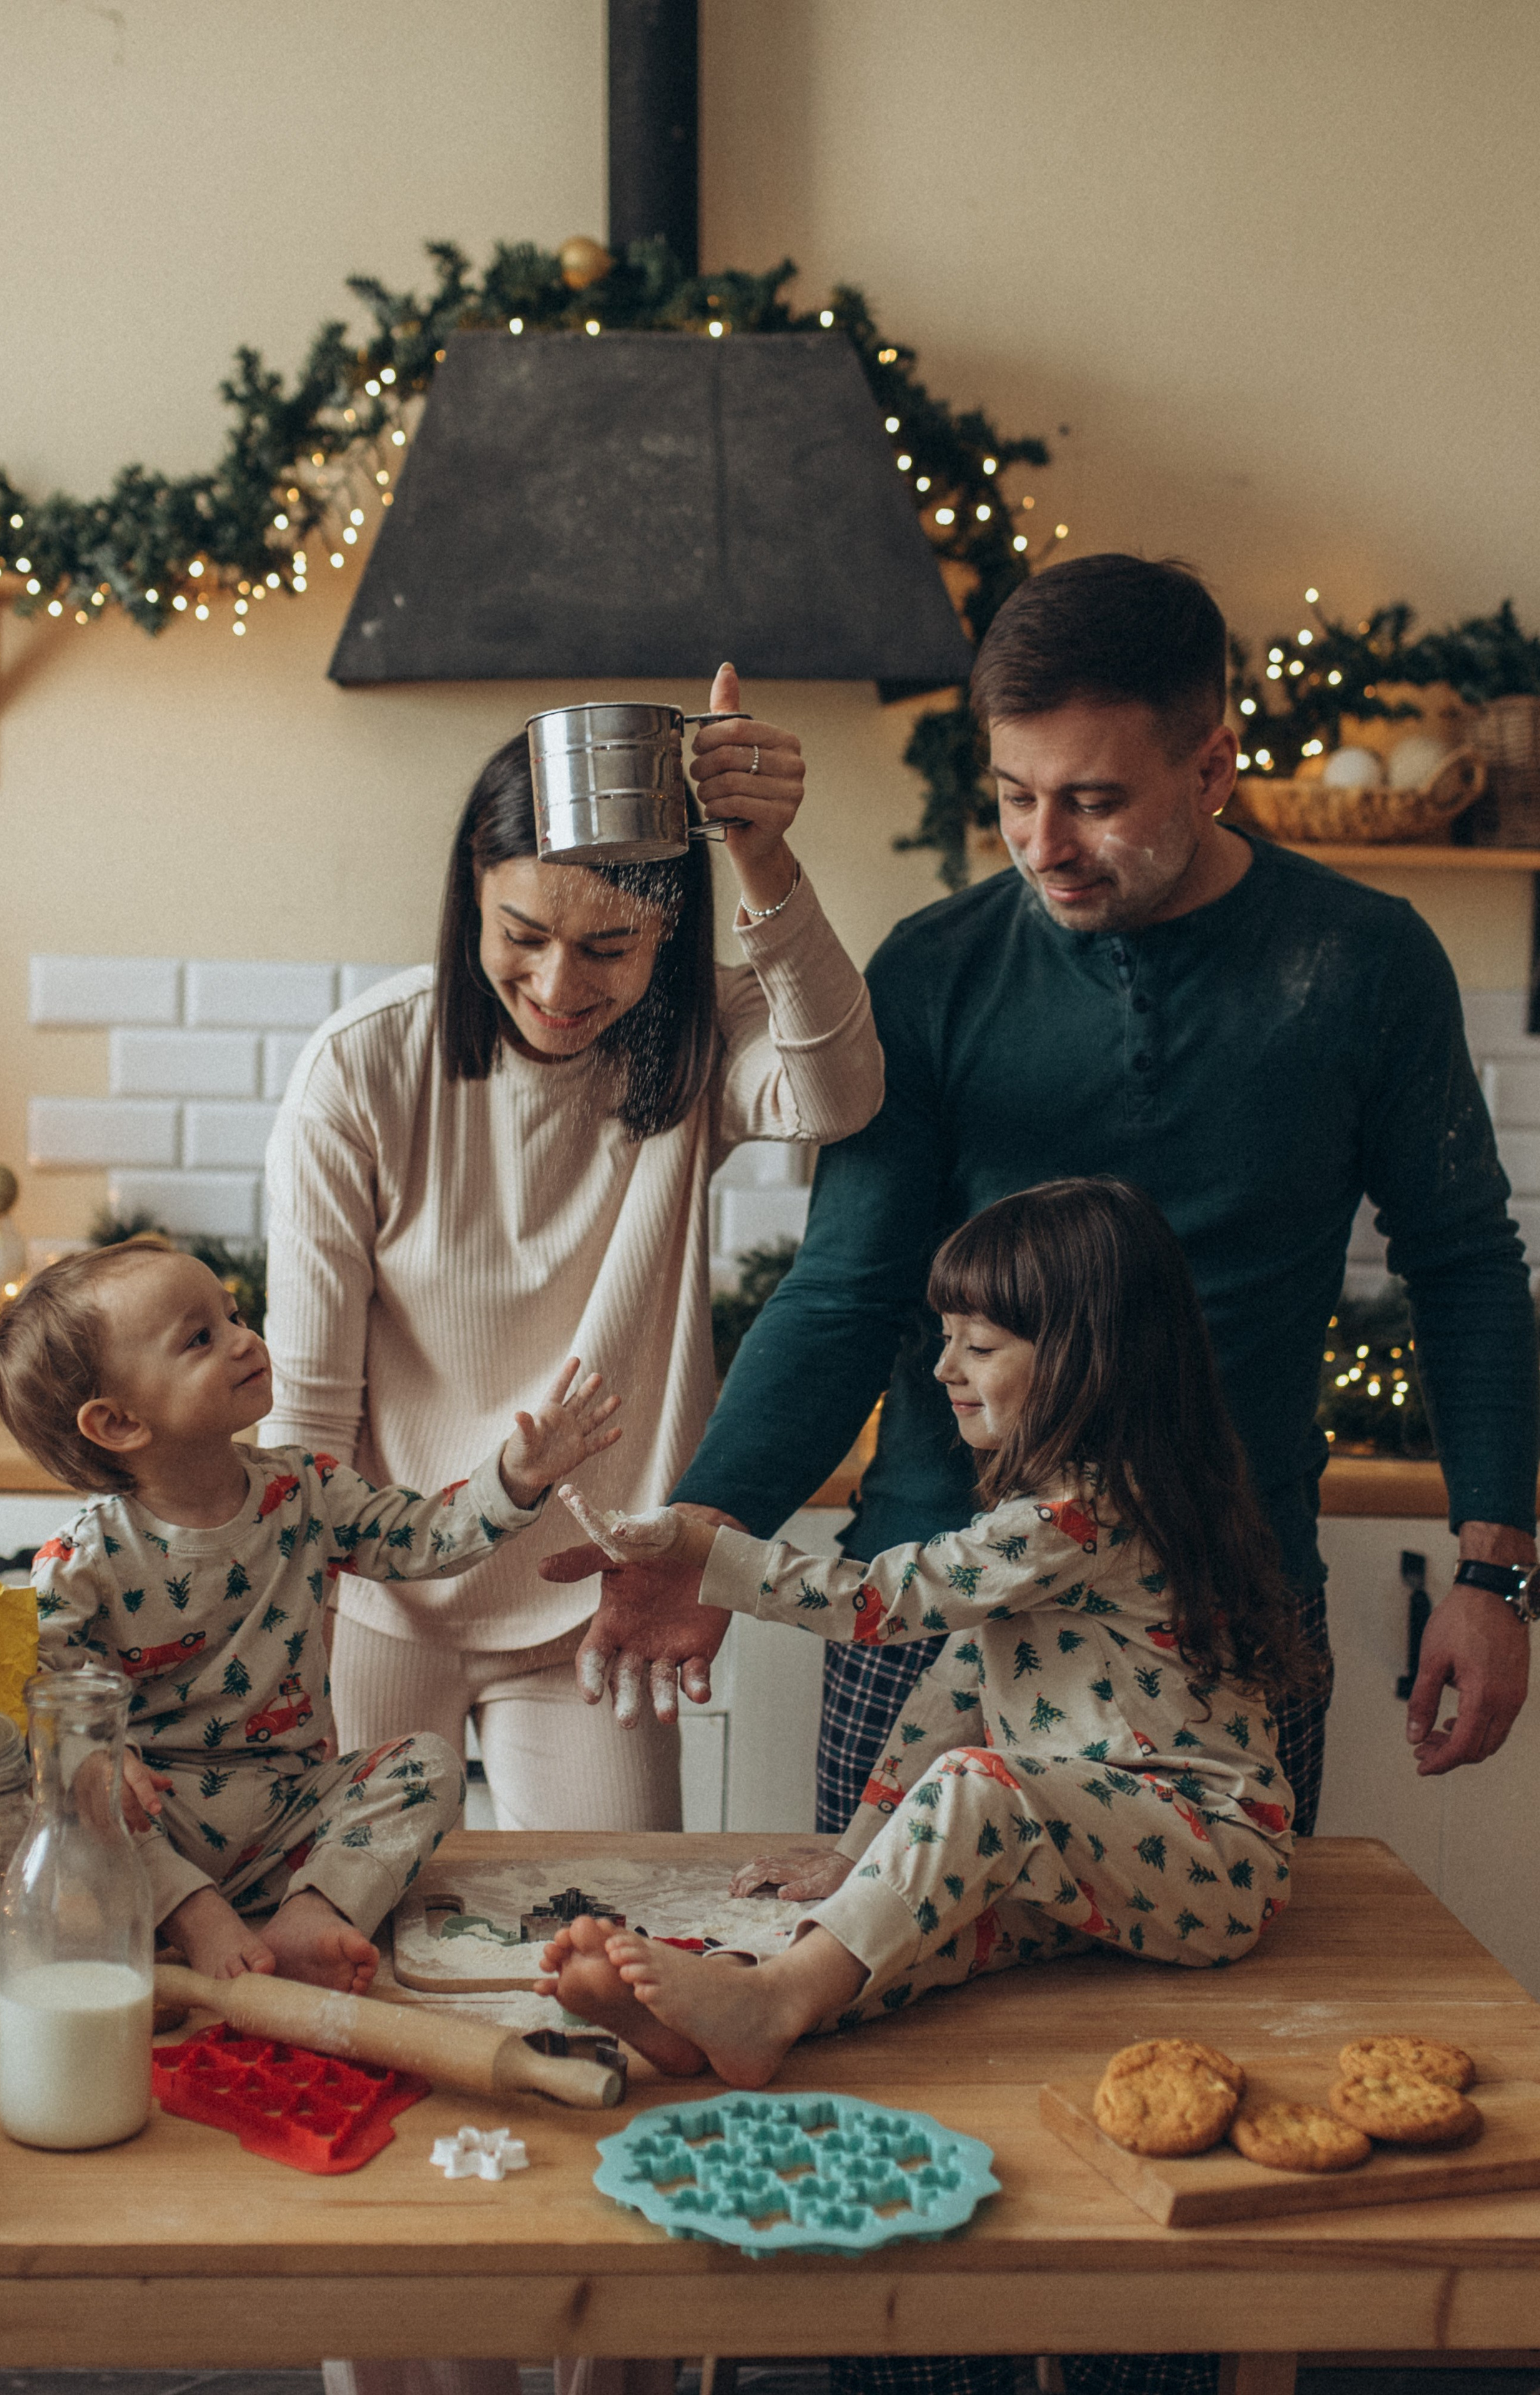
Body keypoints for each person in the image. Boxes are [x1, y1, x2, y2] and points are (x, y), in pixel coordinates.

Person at [549, 560, 1539, 2395]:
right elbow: (850, 1287)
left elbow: (1467, 1263)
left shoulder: (1359, 960)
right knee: (896, 2075)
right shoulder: (935, 973)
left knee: (1153, 2130)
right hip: (925, 1602)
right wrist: (712, 1525)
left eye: (1089, 798)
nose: (1041, 841)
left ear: (1213, 764)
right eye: (1010, 796)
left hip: (1223, 1628)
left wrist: (1495, 1570)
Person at [262, 665, 882, 1835]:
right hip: (377, 1608)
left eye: (610, 947)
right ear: (471, 903)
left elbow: (837, 1094)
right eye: (523, 935)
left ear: (671, 931)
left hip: (595, 1599)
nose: (557, 985)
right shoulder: (362, 1067)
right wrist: (281, 1634)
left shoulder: (700, 1037)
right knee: (355, 1941)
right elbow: (305, 1414)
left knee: (609, 1934)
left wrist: (761, 856)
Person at [538, 1179, 1308, 2087]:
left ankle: (767, 2002)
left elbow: (878, 1603)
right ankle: (743, 2003)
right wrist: (855, 1855)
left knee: (977, 1786)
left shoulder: (1085, 1515)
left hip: (1210, 1854)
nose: (944, 1368)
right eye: (947, 1338)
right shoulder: (1053, 1524)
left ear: (1084, 1359)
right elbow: (950, 1691)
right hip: (1106, 1848)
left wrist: (709, 1551)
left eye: (978, 1345)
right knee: (912, 1924)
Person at [0, 1240, 623, 1993]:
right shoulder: (80, 1560)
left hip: (295, 1814)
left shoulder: (307, 1489)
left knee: (428, 1766)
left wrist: (514, 1478)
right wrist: (98, 1759)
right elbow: (45, 1696)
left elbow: (421, 1540)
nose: (244, 1338)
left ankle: (312, 1911)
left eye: (232, 1315)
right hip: (158, 1825)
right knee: (80, 1792)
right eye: (201, 1338)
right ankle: (192, 1917)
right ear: (120, 1423)